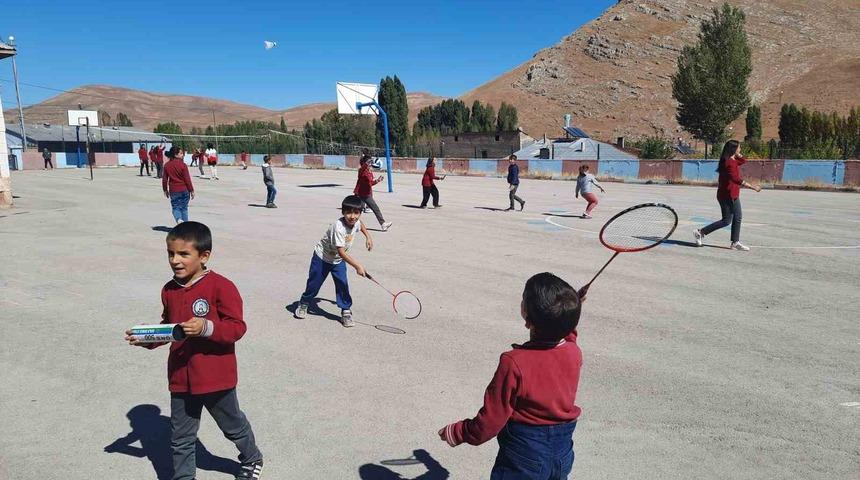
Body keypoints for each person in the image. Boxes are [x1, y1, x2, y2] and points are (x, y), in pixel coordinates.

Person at [124, 222, 264, 480]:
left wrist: (206, 327)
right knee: (181, 438)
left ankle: (252, 457)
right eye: (170, 253)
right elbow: (171, 327)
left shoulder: (221, 286)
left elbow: (237, 328)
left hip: (215, 377)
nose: (175, 260)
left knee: (232, 426)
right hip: (181, 378)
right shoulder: (169, 290)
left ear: (204, 256)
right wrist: (149, 337)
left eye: (183, 254)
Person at [438, 272, 584, 479]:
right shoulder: (573, 352)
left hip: (524, 455)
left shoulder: (514, 362)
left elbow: (491, 420)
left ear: (527, 318)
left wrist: (459, 432)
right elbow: (569, 334)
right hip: (562, 452)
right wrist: (570, 311)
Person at [293, 195, 373, 327]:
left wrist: (368, 237)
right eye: (348, 212)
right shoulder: (339, 227)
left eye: (356, 213)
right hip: (322, 258)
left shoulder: (356, 222)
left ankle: (346, 310)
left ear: (360, 213)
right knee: (314, 284)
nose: (352, 216)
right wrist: (357, 266)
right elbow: (341, 252)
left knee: (342, 284)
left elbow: (361, 224)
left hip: (338, 260)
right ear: (343, 212)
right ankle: (304, 302)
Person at [693, 140, 762, 251]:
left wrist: (739, 155)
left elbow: (743, 161)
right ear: (733, 149)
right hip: (726, 195)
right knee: (726, 221)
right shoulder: (729, 162)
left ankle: (735, 242)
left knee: (738, 217)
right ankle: (700, 232)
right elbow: (736, 179)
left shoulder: (732, 160)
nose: (740, 149)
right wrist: (752, 187)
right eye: (739, 148)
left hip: (733, 194)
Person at [353, 154, 392, 231]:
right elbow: (363, 167)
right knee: (357, 211)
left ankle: (383, 224)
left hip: (367, 195)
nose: (371, 164)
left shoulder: (369, 172)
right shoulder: (361, 171)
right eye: (369, 162)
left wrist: (377, 180)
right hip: (359, 194)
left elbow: (370, 183)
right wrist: (367, 162)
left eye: (371, 162)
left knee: (376, 209)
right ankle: (351, 224)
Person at [162, 147, 195, 224]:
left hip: (174, 191)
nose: (182, 155)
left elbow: (164, 179)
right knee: (184, 208)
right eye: (181, 153)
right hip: (185, 190)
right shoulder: (183, 165)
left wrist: (165, 190)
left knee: (176, 207)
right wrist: (191, 190)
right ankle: (185, 226)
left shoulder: (167, 165)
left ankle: (179, 219)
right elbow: (187, 179)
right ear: (175, 155)